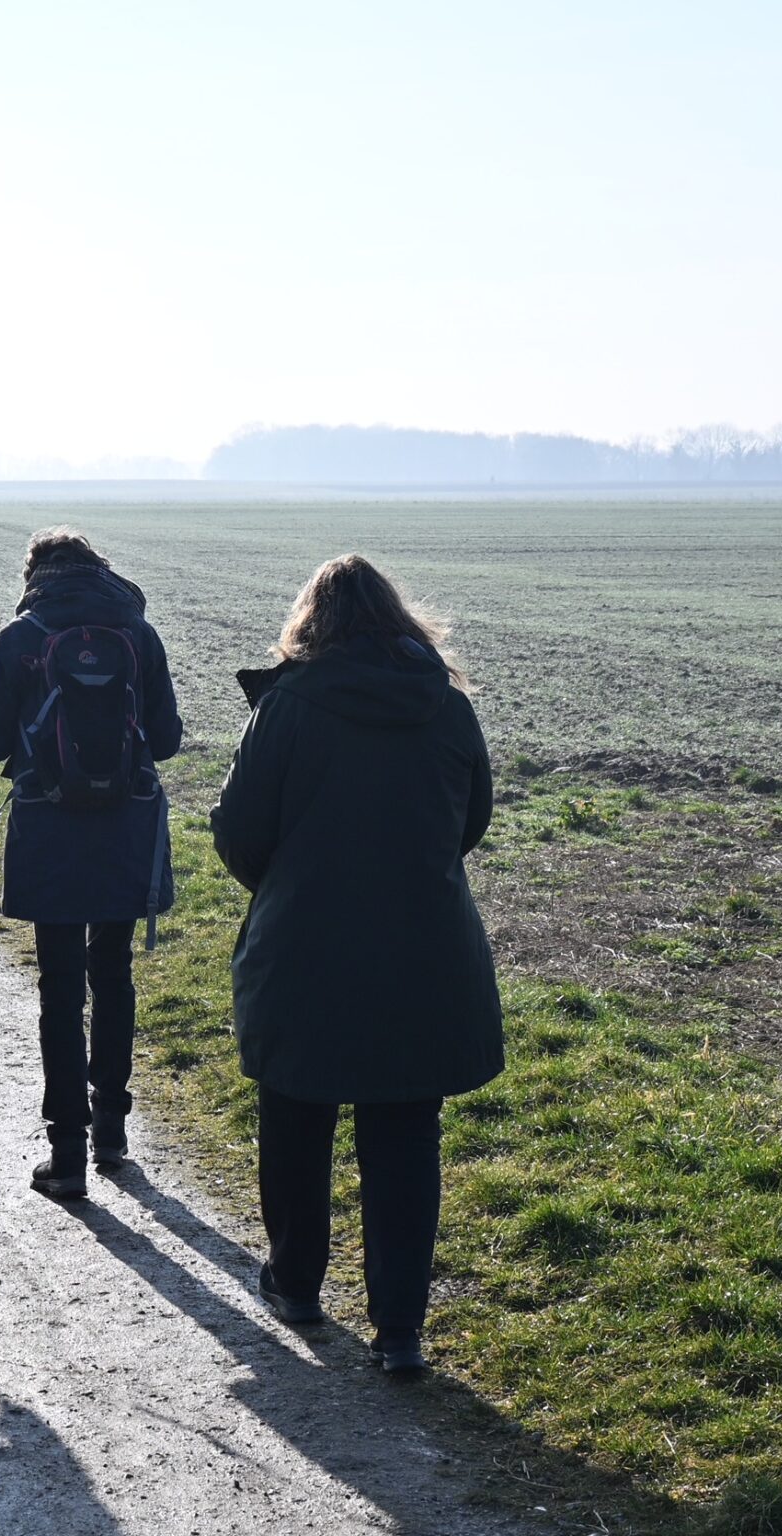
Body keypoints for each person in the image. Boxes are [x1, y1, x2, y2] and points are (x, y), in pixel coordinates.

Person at [208, 555, 504, 1377]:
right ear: (399, 618)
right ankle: (400, 1328)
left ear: (311, 621)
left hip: (304, 950)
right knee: (406, 1135)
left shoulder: (288, 707)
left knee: (296, 1117)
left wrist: (291, 887)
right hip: (425, 953)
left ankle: (296, 1283)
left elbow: (238, 832)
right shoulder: (447, 706)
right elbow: (470, 818)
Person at [0, 527, 182, 1199]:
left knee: (59, 989)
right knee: (112, 975)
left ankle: (68, 1156)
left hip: (51, 831)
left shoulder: (22, 635)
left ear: (36, 573)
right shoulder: (137, 632)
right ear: (99, 568)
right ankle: (113, 1130)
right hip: (126, 829)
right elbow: (168, 739)